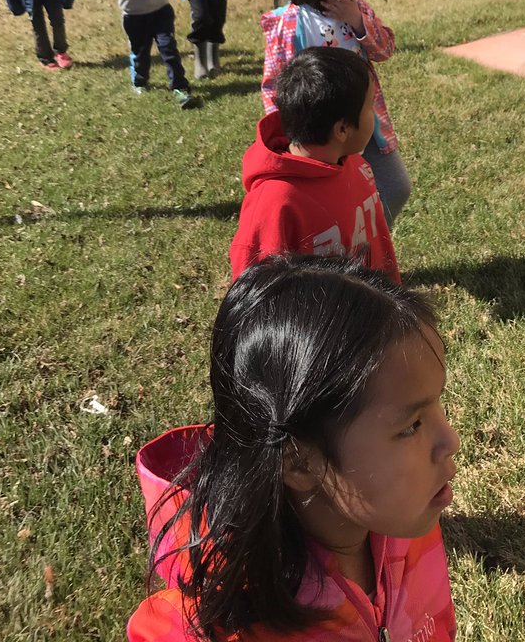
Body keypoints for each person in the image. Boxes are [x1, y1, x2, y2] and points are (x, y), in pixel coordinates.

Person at [127, 256, 460, 642]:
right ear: (299, 461)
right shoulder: (230, 625)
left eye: (438, 403)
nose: (450, 440)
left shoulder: (400, 517)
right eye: (412, 425)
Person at [261, 0, 411, 225]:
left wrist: (356, 20)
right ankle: (345, 252)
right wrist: (288, 133)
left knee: (396, 187)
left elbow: (385, 50)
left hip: (364, 125)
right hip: (320, 140)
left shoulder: (356, 7)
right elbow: (275, 85)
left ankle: (368, 241)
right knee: (333, 201)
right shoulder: (288, 23)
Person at [231, 48, 399, 283]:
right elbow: (255, 298)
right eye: (370, 106)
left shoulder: (356, 165)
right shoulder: (276, 205)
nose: (375, 114)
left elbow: (378, 248)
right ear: (342, 129)